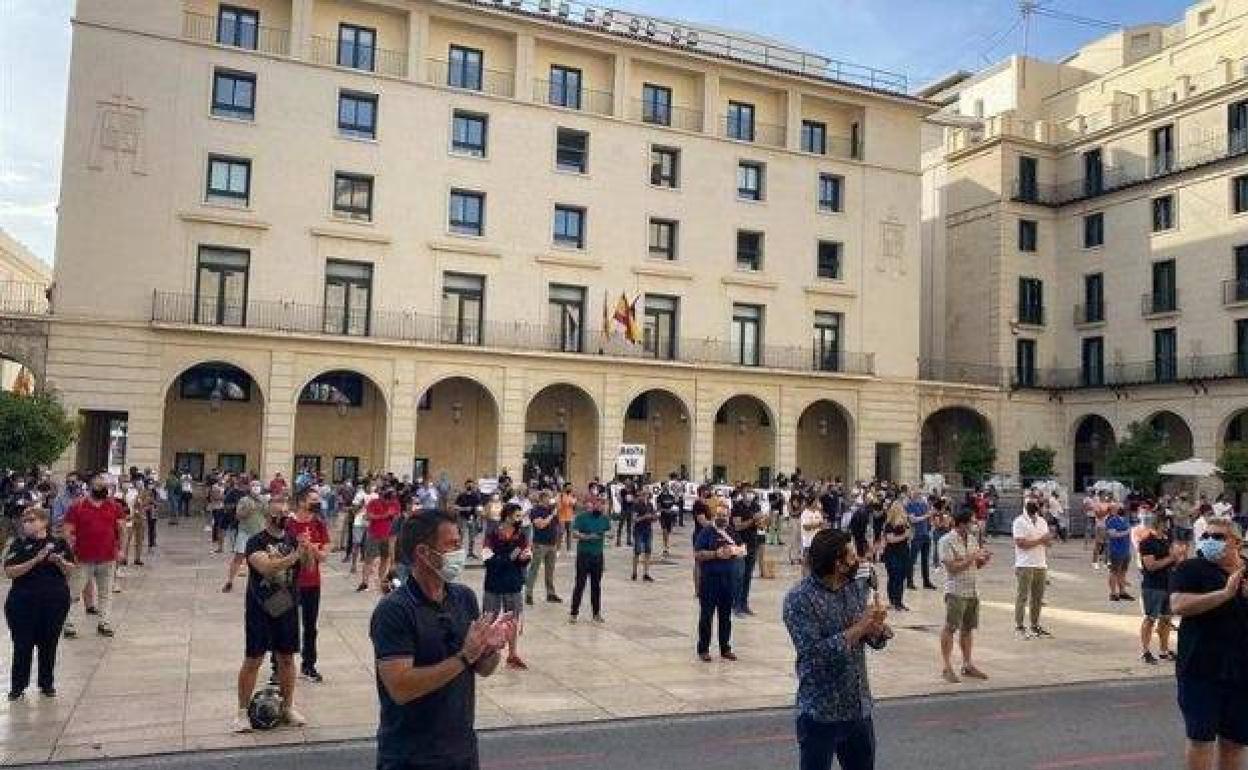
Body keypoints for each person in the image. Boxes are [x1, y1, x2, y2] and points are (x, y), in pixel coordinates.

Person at [371, 510, 513, 770]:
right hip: (411, 757)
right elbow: (400, 688)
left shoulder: (463, 598)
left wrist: (489, 650)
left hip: (461, 751)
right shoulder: (394, 610)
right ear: (423, 553)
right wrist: (463, 657)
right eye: (452, 545)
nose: (459, 552)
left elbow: (483, 669)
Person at [784, 529, 891, 770]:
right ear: (838, 564)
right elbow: (814, 655)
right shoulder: (799, 599)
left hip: (857, 706)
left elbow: (864, 636)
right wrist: (862, 625)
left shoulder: (853, 588)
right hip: (821, 711)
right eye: (852, 557)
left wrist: (877, 629)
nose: (858, 561)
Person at [1169, 516, 1248, 770]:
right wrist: (1225, 594)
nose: (1210, 541)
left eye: (1218, 537)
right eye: (1206, 536)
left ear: (1236, 542)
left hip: (1242, 673)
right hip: (1200, 672)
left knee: (1235, 743)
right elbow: (1179, 605)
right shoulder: (1191, 569)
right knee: (1201, 740)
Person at [231, 498, 309, 732]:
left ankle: (287, 707)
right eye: (279, 513)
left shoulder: (292, 539)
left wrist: (307, 551)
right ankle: (242, 712)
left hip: (285, 604)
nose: (284, 516)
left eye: (287, 512)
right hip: (261, 607)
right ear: (268, 517)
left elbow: (308, 567)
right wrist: (295, 555)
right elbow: (266, 567)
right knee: (254, 659)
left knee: (286, 658)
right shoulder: (256, 542)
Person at [4, 507, 75, 700]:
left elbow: (70, 570)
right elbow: (10, 571)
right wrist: (35, 560)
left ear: (44, 522)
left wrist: (59, 561)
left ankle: (46, 683)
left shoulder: (59, 543)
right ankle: (18, 686)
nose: (26, 523)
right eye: (24, 520)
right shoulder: (18, 544)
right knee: (22, 645)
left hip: (54, 602)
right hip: (23, 604)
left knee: (49, 644)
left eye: (31, 519)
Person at [62, 476, 126, 639]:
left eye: (105, 486)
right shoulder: (77, 507)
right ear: (90, 487)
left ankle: (104, 623)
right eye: (99, 486)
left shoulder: (114, 506)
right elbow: (67, 532)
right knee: (74, 592)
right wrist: (70, 554)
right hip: (83, 558)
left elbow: (121, 529)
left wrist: (121, 550)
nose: (103, 488)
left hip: (107, 557)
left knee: (105, 593)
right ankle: (68, 624)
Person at [937, 508, 991, 683]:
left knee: (967, 628)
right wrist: (971, 558)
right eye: (971, 522)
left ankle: (967, 664)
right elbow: (952, 568)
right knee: (950, 627)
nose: (974, 525)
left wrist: (982, 560)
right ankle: (946, 666)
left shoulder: (973, 539)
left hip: (972, 589)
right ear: (962, 524)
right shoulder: (946, 541)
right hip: (955, 590)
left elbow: (975, 565)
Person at [286, 489, 330, 683]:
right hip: (288, 582)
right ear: (302, 502)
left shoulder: (319, 524)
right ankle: (277, 667)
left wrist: (312, 546)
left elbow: (324, 556)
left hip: (312, 582)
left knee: (310, 627)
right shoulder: (288, 523)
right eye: (313, 500)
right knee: (284, 624)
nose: (317, 502)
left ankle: (308, 665)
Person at [482, 503, 530, 669]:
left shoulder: (521, 535)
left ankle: (512, 654)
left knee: (513, 620)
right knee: (490, 618)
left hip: (513, 582)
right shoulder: (492, 534)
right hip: (494, 583)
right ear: (508, 516)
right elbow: (488, 560)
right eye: (517, 516)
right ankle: (486, 653)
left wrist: (524, 558)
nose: (519, 519)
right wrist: (508, 558)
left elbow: (524, 555)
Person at [693, 503, 741, 661]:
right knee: (706, 616)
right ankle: (703, 649)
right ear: (714, 515)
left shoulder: (731, 531)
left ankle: (725, 648)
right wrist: (715, 554)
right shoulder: (706, 532)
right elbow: (698, 554)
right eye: (719, 515)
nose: (722, 518)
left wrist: (734, 551)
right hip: (710, 580)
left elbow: (742, 549)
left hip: (728, 580)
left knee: (725, 616)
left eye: (725, 515)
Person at [1137, 511, 1182, 665]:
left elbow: (1173, 562)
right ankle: (1145, 651)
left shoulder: (1166, 540)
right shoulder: (1147, 542)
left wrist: (1178, 558)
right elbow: (1151, 566)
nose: (1169, 526)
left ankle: (1163, 650)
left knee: (1166, 619)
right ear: (1160, 524)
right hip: (1153, 586)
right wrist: (1172, 557)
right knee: (1150, 618)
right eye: (1167, 523)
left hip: (1168, 584)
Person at [1013, 499, 1053, 640]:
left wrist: (1046, 540)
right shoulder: (1019, 521)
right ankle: (1019, 626)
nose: (1036, 506)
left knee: (1037, 597)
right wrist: (1040, 540)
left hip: (1040, 563)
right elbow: (1021, 543)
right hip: (1025, 564)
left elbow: (1049, 542)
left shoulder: (1042, 521)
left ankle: (1035, 625)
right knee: (1022, 596)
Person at [569, 495, 610, 624]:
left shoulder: (604, 519)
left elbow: (608, 532)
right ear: (592, 504)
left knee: (596, 585)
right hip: (584, 555)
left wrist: (609, 535)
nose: (601, 507)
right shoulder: (582, 517)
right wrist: (586, 537)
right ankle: (574, 613)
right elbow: (574, 533)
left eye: (603, 504)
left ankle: (596, 613)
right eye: (599, 504)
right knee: (580, 584)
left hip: (598, 556)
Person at [224, 481, 267, 593]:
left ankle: (264, 582)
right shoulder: (244, 500)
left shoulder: (264, 499)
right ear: (249, 488)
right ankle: (230, 581)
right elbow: (238, 516)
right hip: (245, 532)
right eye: (253, 485)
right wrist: (248, 509)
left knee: (263, 558)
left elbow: (269, 514)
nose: (256, 487)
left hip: (260, 533)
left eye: (258, 485)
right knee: (239, 556)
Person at [731, 486, 763, 616]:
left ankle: (744, 604)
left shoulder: (756, 506)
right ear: (742, 493)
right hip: (740, 544)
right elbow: (737, 526)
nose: (749, 494)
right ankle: (735, 605)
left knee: (748, 575)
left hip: (752, 543)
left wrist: (763, 521)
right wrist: (753, 520)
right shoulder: (737, 507)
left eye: (751, 492)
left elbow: (760, 525)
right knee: (739, 575)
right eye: (746, 492)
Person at [524, 494, 561, 605]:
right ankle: (528, 594)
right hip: (540, 544)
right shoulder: (535, 511)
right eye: (548, 497)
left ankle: (550, 593)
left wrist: (558, 542)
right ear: (542, 499)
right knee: (534, 569)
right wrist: (551, 515)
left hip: (552, 544)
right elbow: (540, 525)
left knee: (550, 570)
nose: (550, 499)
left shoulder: (551, 510)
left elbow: (556, 527)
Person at [361, 488, 400, 593]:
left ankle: (381, 580)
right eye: (386, 498)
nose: (388, 501)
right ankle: (365, 582)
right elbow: (368, 516)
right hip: (374, 534)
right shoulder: (374, 502)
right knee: (369, 558)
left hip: (388, 535)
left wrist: (392, 516)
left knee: (385, 558)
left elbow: (397, 516)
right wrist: (384, 515)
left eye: (390, 498)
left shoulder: (394, 503)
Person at [880, 501, 911, 612]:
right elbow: (891, 539)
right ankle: (893, 601)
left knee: (902, 577)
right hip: (892, 554)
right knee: (894, 576)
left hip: (904, 553)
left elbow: (909, 535)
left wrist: (908, 535)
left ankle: (899, 601)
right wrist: (904, 536)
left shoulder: (905, 524)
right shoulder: (889, 525)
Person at [904, 489, 936, 590]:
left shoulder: (924, 504)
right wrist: (926, 516)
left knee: (925, 559)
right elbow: (913, 520)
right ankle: (909, 581)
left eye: (920, 493)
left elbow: (928, 518)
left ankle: (926, 581)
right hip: (916, 535)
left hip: (925, 534)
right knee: (912, 559)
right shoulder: (909, 505)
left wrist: (930, 520)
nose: (919, 495)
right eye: (917, 493)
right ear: (912, 494)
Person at [1106, 503, 1134, 602]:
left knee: (1123, 572)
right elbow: (1112, 534)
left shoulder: (1126, 520)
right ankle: (1113, 593)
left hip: (1126, 550)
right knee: (1114, 571)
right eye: (1119, 507)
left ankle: (1122, 591)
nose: (1122, 508)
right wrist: (1127, 532)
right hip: (1116, 550)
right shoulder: (1112, 521)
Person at [631, 489, 658, 582]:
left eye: (646, 495)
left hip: (648, 530)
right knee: (637, 551)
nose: (645, 497)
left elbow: (654, 516)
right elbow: (634, 519)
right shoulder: (636, 505)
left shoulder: (650, 505)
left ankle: (646, 573)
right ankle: (634, 572)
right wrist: (644, 517)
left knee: (648, 551)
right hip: (639, 530)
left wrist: (654, 517)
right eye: (643, 495)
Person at [454, 481, 482, 560]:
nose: (470, 486)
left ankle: (470, 552)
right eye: (468, 484)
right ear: (465, 485)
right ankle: (458, 552)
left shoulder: (475, 496)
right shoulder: (461, 495)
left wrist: (478, 510)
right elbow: (455, 506)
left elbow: (479, 506)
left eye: (471, 484)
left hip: (472, 518)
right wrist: (464, 508)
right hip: (463, 518)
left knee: (472, 536)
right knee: (461, 535)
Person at [799, 496, 825, 576]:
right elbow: (806, 527)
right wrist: (816, 525)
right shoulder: (805, 513)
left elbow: (822, 524)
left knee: (815, 560)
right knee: (806, 560)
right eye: (816, 501)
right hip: (808, 541)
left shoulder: (818, 513)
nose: (817, 503)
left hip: (817, 540)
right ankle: (804, 577)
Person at [556, 484, 576, 552]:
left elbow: (573, 503)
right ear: (564, 488)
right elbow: (558, 506)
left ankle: (569, 549)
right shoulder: (560, 495)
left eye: (570, 487)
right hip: (562, 517)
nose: (570, 488)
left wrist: (570, 502)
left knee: (569, 533)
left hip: (570, 517)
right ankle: (558, 549)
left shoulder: (572, 495)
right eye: (568, 487)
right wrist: (567, 503)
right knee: (560, 533)